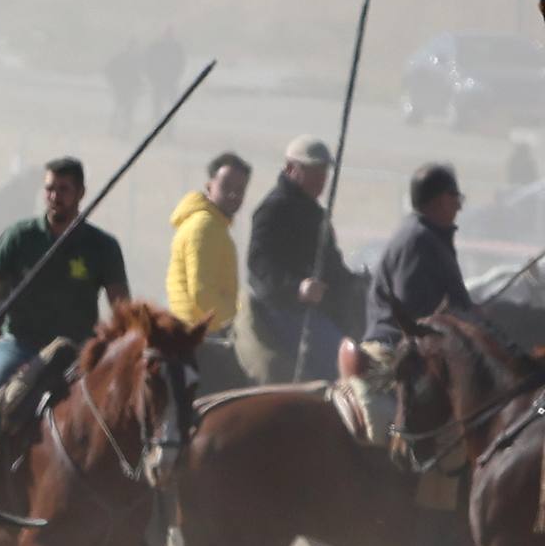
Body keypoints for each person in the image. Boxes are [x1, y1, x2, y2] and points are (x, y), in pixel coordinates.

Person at [0, 155, 130, 478]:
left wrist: (116, 348)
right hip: (20, 345)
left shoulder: (102, 247)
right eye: (50, 189)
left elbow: (121, 307)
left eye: (64, 189)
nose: (55, 196)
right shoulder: (21, 237)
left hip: (78, 352)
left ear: (81, 192)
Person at [237, 138, 360, 384]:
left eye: (324, 171)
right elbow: (259, 267)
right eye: (313, 170)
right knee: (339, 363)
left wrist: (358, 283)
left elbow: (331, 264)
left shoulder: (315, 213)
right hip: (282, 311)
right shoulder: (272, 210)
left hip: (318, 310)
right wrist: (297, 288)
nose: (321, 178)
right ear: (291, 168)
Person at [369, 161, 473, 340]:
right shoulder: (418, 241)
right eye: (455, 197)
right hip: (400, 347)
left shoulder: (429, 237)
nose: (459, 206)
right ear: (439, 200)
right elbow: (412, 314)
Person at [167, 151, 249, 336]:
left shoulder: (214, 226)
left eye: (240, 189)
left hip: (200, 329)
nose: (233, 194)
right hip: (201, 334)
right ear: (209, 186)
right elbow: (202, 294)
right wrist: (237, 320)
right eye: (226, 186)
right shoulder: (205, 227)